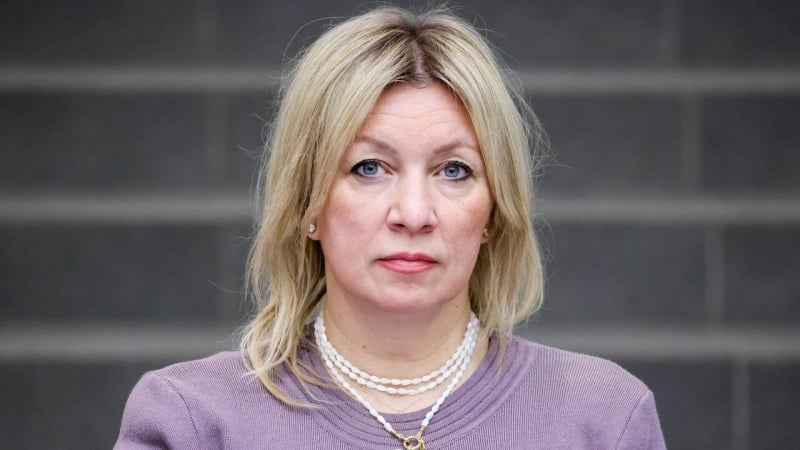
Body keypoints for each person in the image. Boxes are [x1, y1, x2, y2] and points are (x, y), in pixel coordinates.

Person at [115, 5, 666, 449]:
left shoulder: (605, 418)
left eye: (454, 170)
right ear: (308, 203)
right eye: (369, 168)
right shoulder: (191, 421)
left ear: (494, 211)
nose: (414, 213)